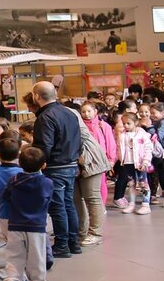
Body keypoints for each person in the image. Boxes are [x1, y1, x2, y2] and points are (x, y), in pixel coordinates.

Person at [30, 81, 82, 258]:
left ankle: (61, 245)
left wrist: (37, 162)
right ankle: (73, 243)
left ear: (37, 96)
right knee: (69, 205)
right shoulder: (70, 113)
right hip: (71, 164)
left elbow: (45, 145)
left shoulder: (45, 117)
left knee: (58, 207)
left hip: (55, 166)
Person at [1, 147, 53, 281]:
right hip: (36, 226)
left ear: (20, 163)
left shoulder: (14, 180)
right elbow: (49, 200)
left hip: (15, 225)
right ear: (43, 165)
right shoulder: (46, 182)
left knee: (14, 256)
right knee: (36, 258)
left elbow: (5, 196)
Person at [70, 103, 111, 247]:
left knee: (92, 197)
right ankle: (81, 232)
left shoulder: (73, 119)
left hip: (90, 160)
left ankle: (95, 233)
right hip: (76, 162)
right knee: (77, 198)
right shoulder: (72, 118)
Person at [115, 112, 153, 215]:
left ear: (136, 122)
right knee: (131, 184)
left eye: (128, 123)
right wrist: (119, 160)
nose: (126, 126)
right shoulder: (122, 135)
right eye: (124, 123)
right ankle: (131, 204)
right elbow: (119, 148)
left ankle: (146, 204)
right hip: (127, 163)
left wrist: (145, 161)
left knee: (143, 183)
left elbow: (148, 148)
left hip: (140, 163)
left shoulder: (142, 135)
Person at [80, 101, 116, 207]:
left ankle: (101, 206)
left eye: (89, 111)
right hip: (84, 159)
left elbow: (110, 143)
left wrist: (111, 159)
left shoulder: (103, 126)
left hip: (99, 159)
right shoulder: (79, 126)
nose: (86, 114)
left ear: (95, 111)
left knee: (101, 183)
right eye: (83, 111)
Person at [0, 138, 23, 250]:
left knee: (11, 244)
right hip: (23, 213)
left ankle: (12, 265)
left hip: (5, 213)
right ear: (18, 153)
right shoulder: (22, 172)